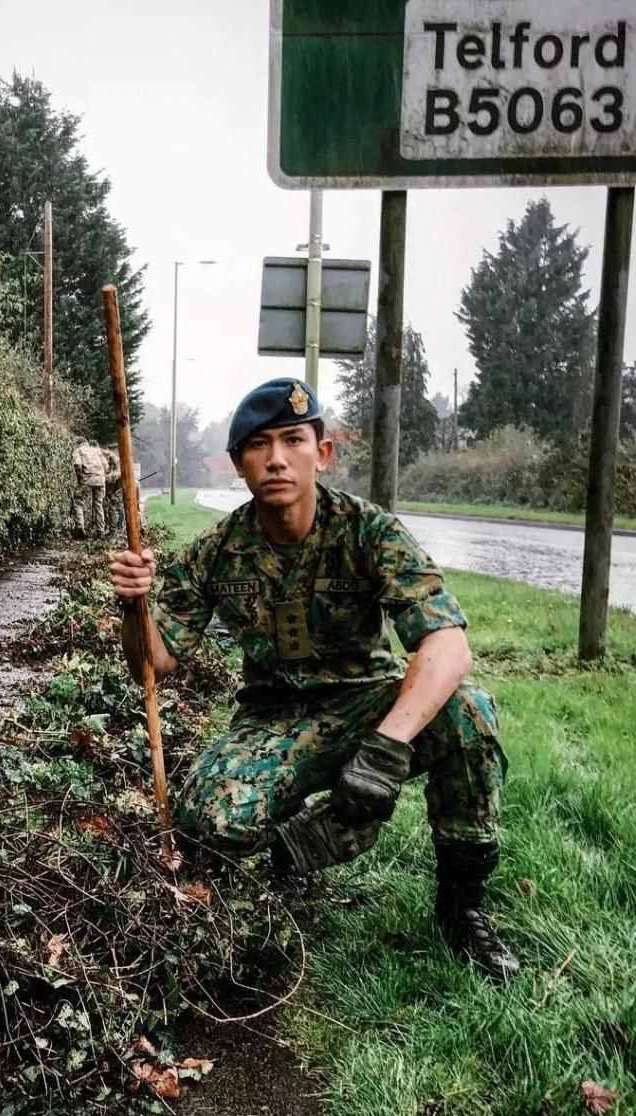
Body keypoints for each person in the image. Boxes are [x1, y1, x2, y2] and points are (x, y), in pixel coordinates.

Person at [108, 377, 519, 982]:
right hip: (274, 718)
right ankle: (296, 847)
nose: (276, 458)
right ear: (237, 465)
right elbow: (157, 662)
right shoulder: (216, 551)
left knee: (470, 713)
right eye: (258, 445)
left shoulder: (368, 531)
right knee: (208, 819)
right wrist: (133, 607)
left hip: (369, 706)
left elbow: (447, 645)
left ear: (321, 453)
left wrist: (387, 747)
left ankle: (462, 909)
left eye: (293, 439)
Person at [72, 438, 108, 538]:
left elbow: (77, 465)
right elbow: (106, 466)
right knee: (98, 504)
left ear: (78, 444)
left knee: (78, 501)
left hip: (87, 479)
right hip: (100, 480)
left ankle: (80, 528)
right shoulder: (97, 450)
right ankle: (100, 531)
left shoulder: (78, 450)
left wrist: (80, 477)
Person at [102, 445, 124, 536]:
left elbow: (114, 477)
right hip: (115, 488)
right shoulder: (116, 460)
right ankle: (118, 526)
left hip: (116, 489)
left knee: (113, 508)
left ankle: (114, 529)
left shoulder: (115, 462)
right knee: (117, 508)